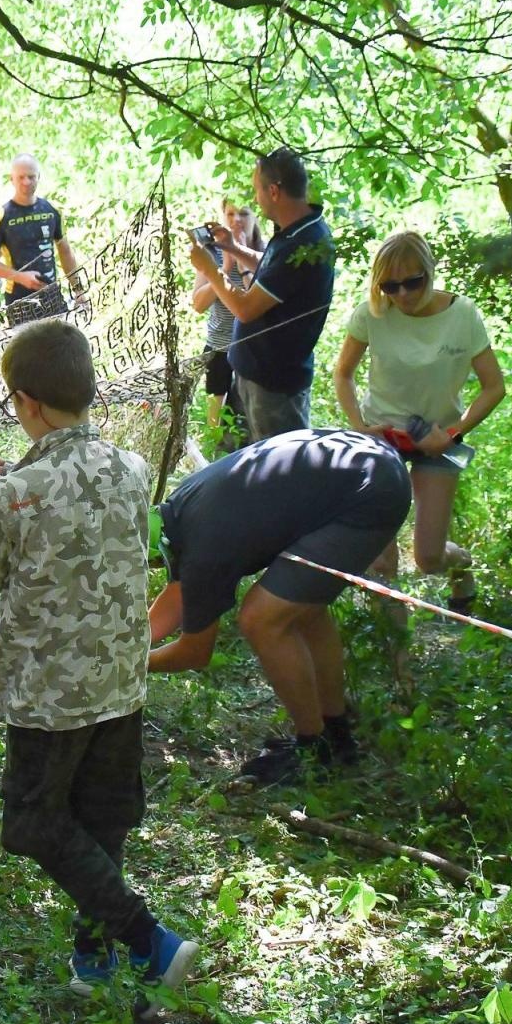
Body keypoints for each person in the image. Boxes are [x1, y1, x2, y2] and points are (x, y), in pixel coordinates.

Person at [0, 319, 198, 1019]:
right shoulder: (128, 469)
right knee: (101, 820)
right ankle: (94, 958)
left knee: (34, 823)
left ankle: (147, 939)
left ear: (27, 403)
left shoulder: (20, 492)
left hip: (48, 695)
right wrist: (12, 485)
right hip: (119, 683)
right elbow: (79, 519)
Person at [148, 429, 411, 786]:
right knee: (304, 609)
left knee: (263, 618)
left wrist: (129, 666)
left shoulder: (203, 548)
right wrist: (129, 641)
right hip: (371, 463)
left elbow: (195, 652)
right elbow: (180, 595)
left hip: (369, 493)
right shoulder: (180, 511)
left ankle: (313, 753)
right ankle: (337, 734)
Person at [332, 231, 506, 613]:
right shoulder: (371, 314)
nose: (404, 294)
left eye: (414, 282)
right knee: (380, 560)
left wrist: (453, 433)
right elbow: (343, 373)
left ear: (430, 273)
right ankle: (396, 658)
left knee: (428, 557)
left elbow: (494, 387)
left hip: (437, 439)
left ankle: (460, 565)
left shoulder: (462, 315)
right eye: (391, 286)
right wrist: (360, 426)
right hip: (382, 436)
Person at [188, 147, 335, 441]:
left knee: (274, 470)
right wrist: (232, 247)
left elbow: (245, 308)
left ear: (274, 191)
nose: (256, 199)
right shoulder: (297, 232)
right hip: (252, 375)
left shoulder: (303, 241)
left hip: (274, 389)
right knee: (240, 457)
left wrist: (212, 270)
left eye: (257, 191)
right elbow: (272, 268)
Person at [191, 200, 263, 448]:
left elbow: (255, 300)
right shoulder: (212, 251)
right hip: (219, 349)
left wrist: (241, 259)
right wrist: (222, 269)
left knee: (251, 427)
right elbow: (198, 304)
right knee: (216, 430)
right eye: (230, 213)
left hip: (255, 352)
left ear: (256, 216)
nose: (237, 220)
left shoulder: (266, 253)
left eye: (244, 213)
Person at [0, 155, 85, 326]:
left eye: (31, 176)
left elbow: (65, 252)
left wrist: (78, 290)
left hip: (51, 294)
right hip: (19, 299)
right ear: (11, 179)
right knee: (28, 352)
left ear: (39, 177)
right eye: (21, 177)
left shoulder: (51, 211)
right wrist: (20, 277)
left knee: (62, 347)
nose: (26, 182)